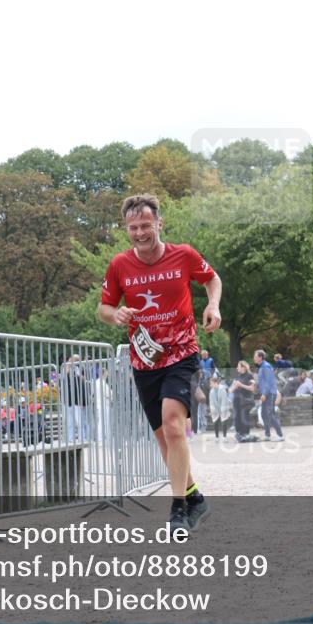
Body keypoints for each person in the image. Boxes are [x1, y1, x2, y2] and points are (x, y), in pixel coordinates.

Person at [97, 193, 222, 534]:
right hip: (144, 360)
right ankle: (195, 497)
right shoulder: (120, 265)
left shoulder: (184, 255)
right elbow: (104, 309)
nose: (139, 232)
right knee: (164, 440)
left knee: (173, 424)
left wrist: (213, 305)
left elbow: (212, 278)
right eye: (133, 227)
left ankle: (178, 509)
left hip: (182, 354)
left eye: (145, 225)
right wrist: (116, 314)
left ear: (159, 224)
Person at [253, 350, 284, 442]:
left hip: (269, 394)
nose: (254, 358)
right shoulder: (262, 367)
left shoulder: (265, 366)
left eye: (255, 356)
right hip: (267, 393)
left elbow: (268, 382)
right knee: (263, 414)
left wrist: (264, 394)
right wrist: (255, 384)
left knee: (270, 415)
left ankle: (280, 435)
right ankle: (267, 435)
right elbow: (263, 381)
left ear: (260, 357)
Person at [229, 361, 257, 441]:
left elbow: (252, 388)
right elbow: (230, 390)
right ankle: (239, 433)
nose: (237, 368)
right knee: (237, 417)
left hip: (245, 401)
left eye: (238, 366)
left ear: (243, 367)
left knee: (244, 417)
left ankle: (246, 434)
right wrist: (234, 386)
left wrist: (241, 385)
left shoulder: (249, 376)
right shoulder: (237, 377)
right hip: (237, 400)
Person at [208, 376, 231, 442]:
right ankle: (217, 437)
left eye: (211, 383)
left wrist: (222, 410)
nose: (210, 384)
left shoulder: (222, 389)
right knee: (216, 422)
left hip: (223, 407)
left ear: (215, 383)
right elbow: (211, 402)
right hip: (215, 408)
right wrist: (213, 410)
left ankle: (224, 437)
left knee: (224, 422)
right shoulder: (211, 391)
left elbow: (224, 400)